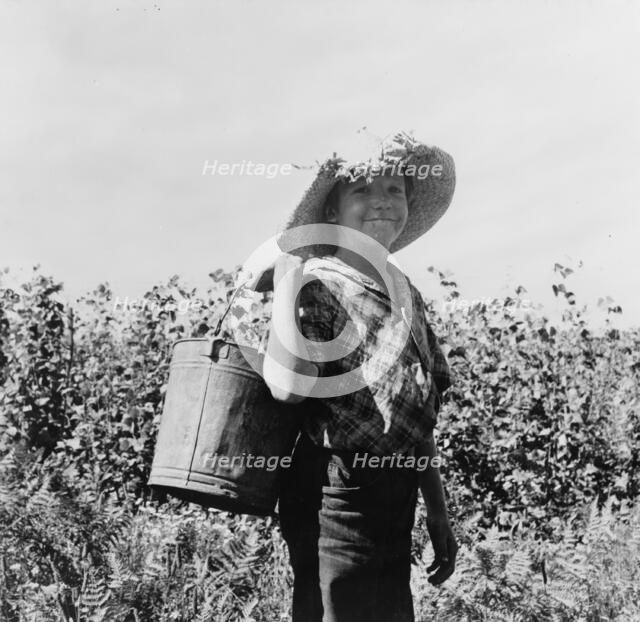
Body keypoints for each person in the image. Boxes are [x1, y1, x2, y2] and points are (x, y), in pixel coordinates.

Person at [262, 132, 458, 622]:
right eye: (362, 190)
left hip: (396, 496)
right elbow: (288, 386)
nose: (383, 202)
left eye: (395, 190)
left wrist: (436, 509)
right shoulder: (315, 281)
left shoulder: (404, 289)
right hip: (335, 493)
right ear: (332, 212)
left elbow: (419, 410)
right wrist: (288, 280)